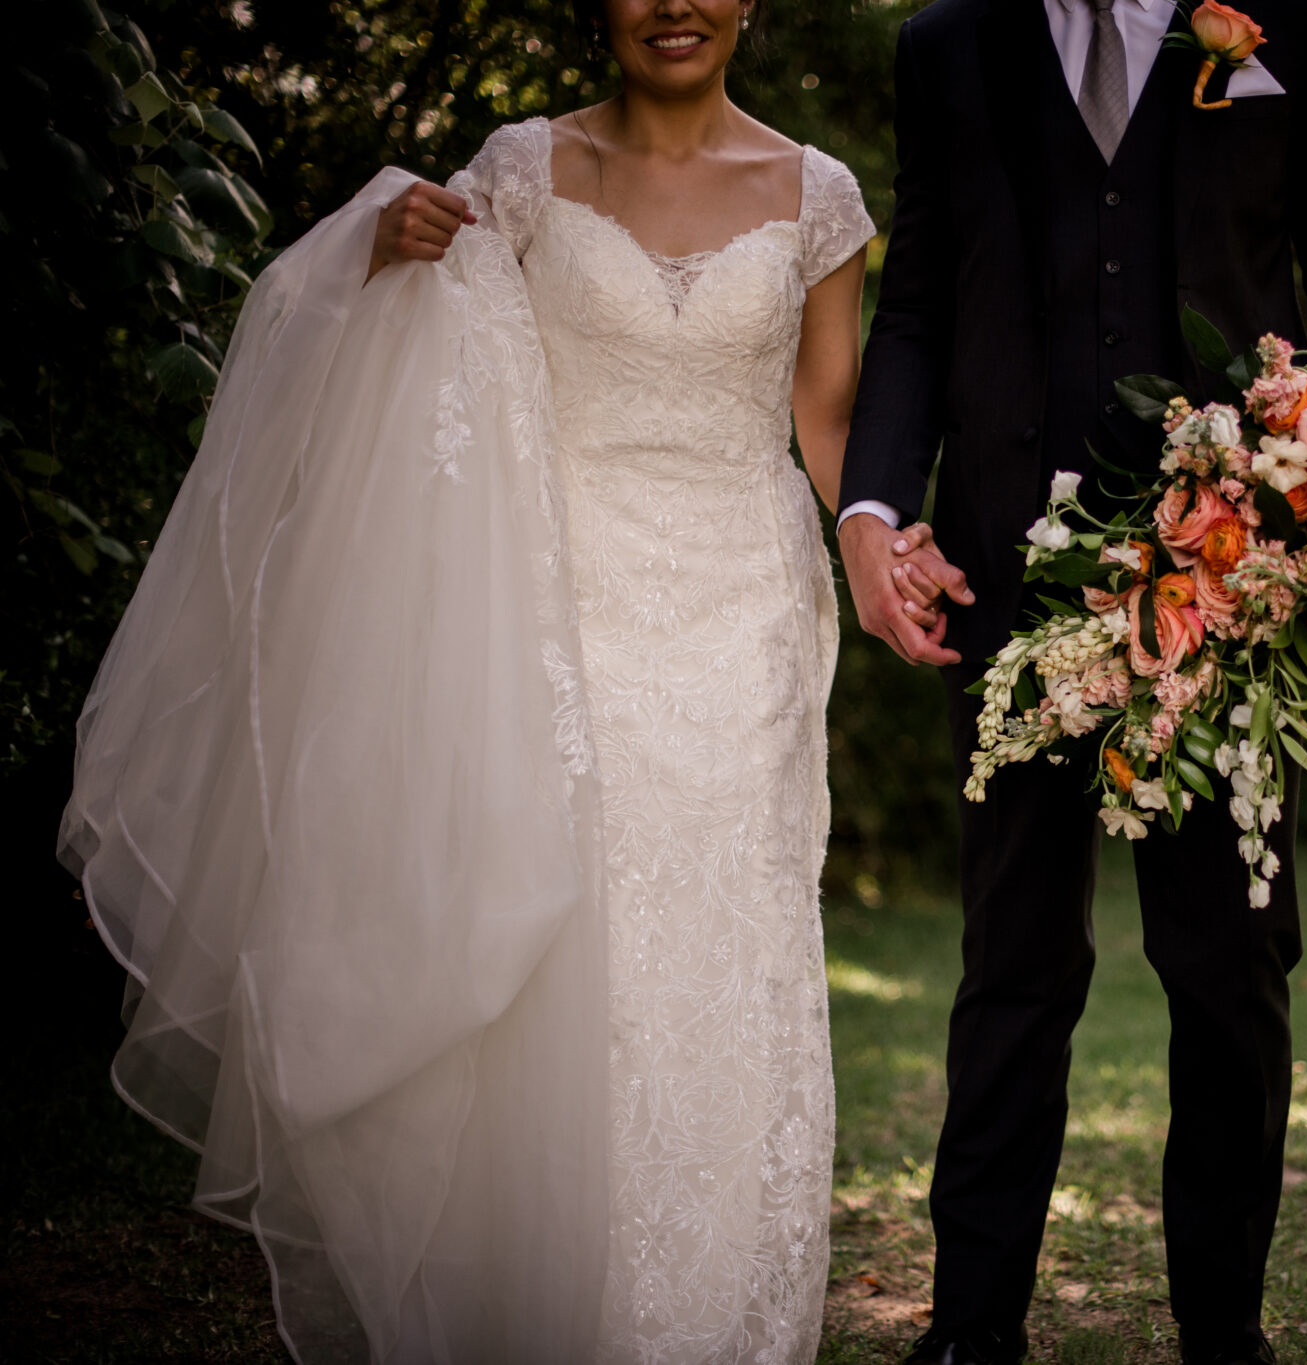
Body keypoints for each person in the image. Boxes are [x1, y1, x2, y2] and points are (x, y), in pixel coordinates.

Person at [59, 2, 926, 1360]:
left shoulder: (820, 197)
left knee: (729, 945)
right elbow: (420, 355)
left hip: (744, 617)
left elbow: (824, 417)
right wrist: (382, 247)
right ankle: (558, 1304)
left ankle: (718, 1320)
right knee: (576, 953)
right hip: (558, 606)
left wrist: (879, 548)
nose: (676, 5)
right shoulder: (522, 169)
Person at [837, 0, 1307, 1361]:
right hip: (1006, 575)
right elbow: (916, 303)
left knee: (1230, 969)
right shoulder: (946, 47)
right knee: (1014, 970)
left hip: (1231, 576)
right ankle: (972, 1333)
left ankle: (1225, 1335)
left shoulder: (1290, 25)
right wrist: (871, 512)